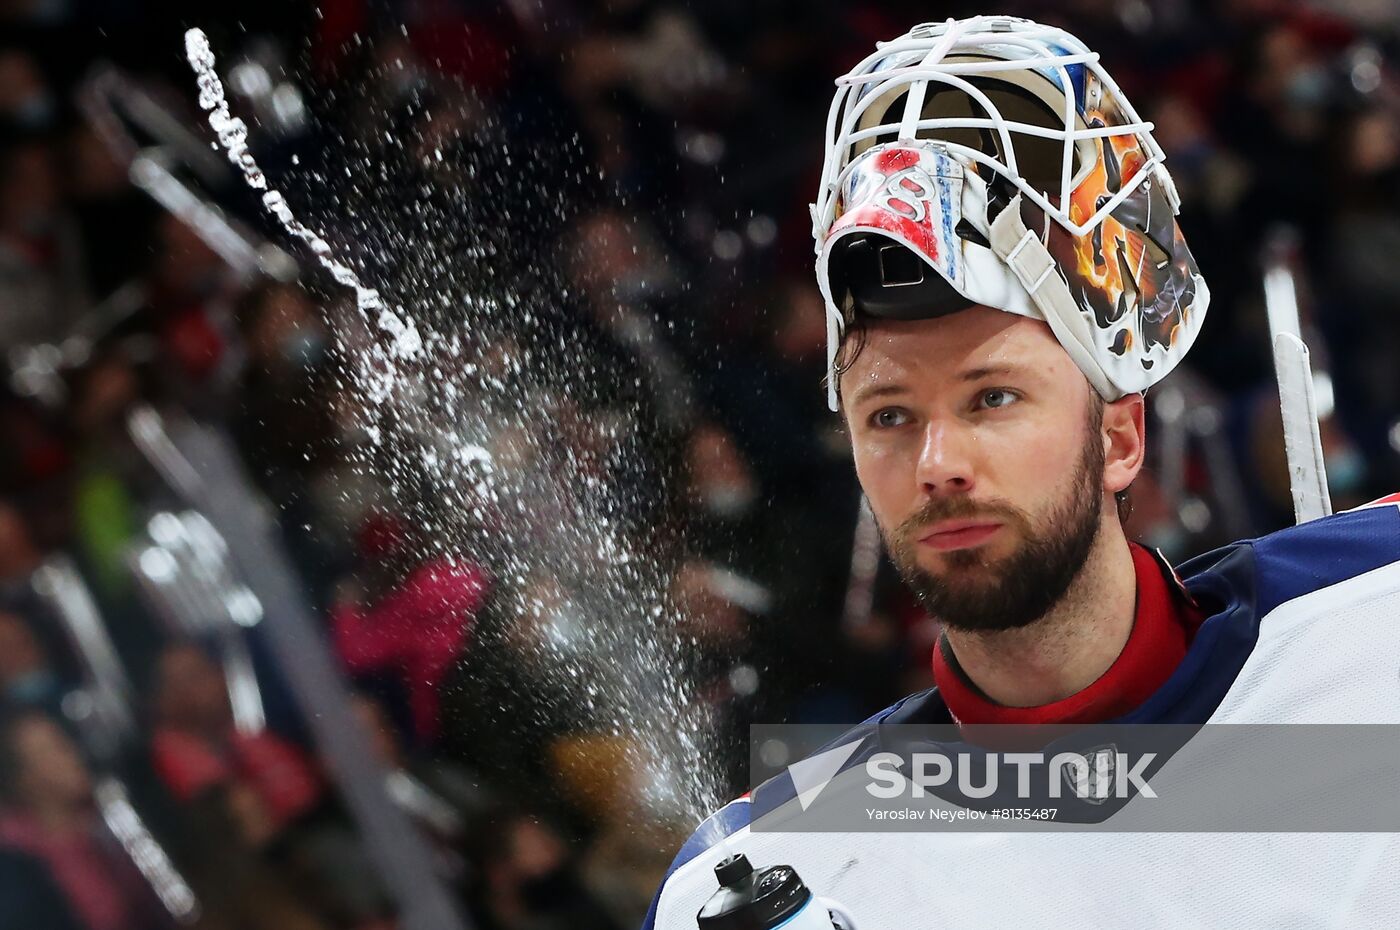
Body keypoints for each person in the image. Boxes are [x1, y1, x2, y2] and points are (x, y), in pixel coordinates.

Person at [644, 16, 1400, 929]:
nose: (937, 464)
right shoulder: (773, 875)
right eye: (889, 416)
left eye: (992, 398)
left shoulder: (1372, 622)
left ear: (1121, 436)